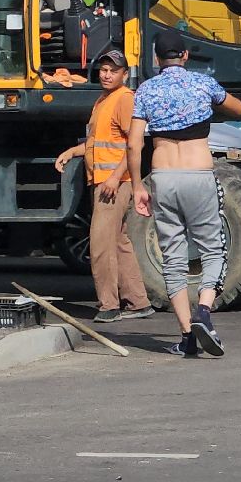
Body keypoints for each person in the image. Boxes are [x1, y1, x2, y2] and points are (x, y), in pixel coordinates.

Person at [125, 28, 241, 357]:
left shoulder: (145, 91)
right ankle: (204, 313)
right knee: (213, 250)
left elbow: (134, 143)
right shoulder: (203, 83)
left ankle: (186, 335)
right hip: (199, 176)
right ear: (185, 56)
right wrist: (215, 103)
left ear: (155, 59)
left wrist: (137, 185)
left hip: (163, 178)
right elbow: (239, 109)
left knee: (173, 257)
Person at [54, 48, 152, 323]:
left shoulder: (124, 100)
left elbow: (133, 146)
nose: (107, 75)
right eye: (104, 70)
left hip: (114, 183)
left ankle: (109, 305)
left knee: (100, 244)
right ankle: (138, 302)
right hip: (105, 182)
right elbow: (98, 142)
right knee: (118, 242)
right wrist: (73, 152)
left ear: (125, 74)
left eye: (113, 71)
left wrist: (115, 177)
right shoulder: (104, 100)